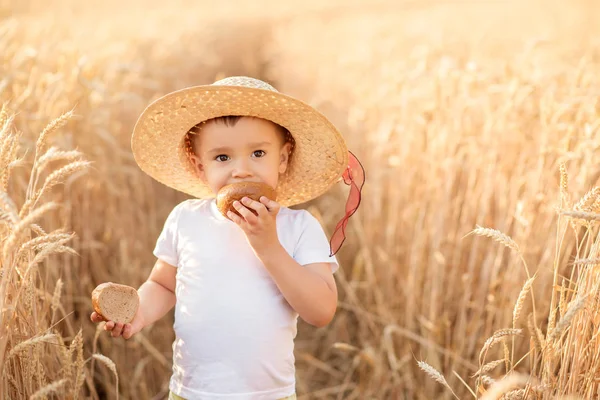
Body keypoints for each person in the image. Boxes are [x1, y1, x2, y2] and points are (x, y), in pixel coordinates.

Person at [90, 76, 364, 400]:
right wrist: (139, 313)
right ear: (200, 166)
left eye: (258, 153)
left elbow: (321, 311)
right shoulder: (186, 220)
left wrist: (269, 247)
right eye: (223, 158)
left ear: (284, 158)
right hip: (192, 392)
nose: (241, 170)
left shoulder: (299, 227)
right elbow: (164, 285)